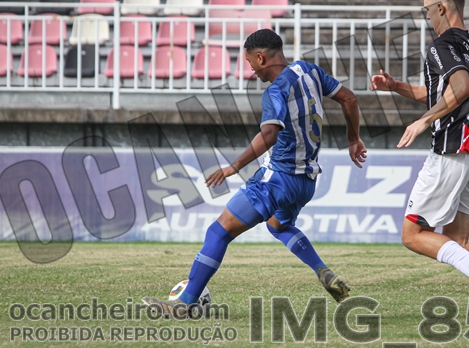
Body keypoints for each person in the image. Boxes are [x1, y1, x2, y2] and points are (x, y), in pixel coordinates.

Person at [143, 29, 368, 318]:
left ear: (261, 58)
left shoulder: (275, 91)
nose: (251, 70)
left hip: (278, 179)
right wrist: (353, 139)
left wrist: (234, 166)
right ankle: (322, 270)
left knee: (218, 231)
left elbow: (270, 134)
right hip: (307, 181)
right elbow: (349, 99)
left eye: (250, 63)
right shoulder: (309, 70)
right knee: (278, 226)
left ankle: (184, 303)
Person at [370, 0, 469, 325]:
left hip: (453, 146)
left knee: (412, 235)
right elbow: (441, 91)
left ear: (440, 7)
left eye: (426, 10)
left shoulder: (441, 44)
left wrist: (423, 121)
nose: (426, 17)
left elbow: (461, 88)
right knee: (456, 240)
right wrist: (396, 86)